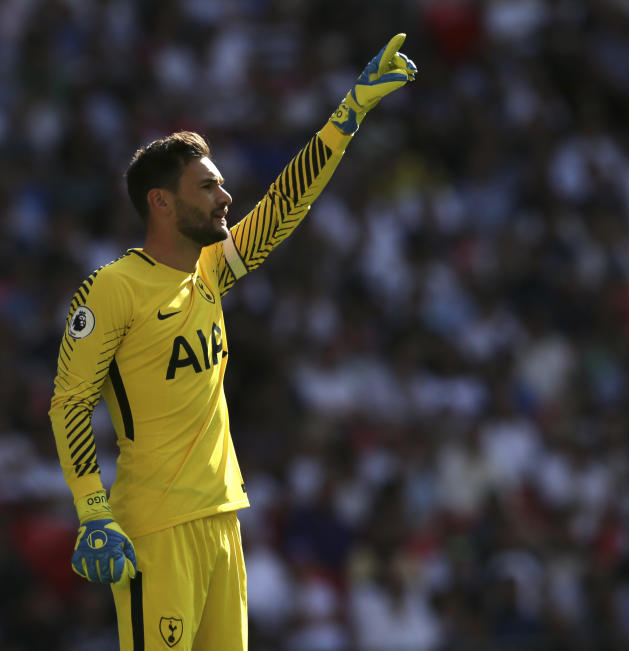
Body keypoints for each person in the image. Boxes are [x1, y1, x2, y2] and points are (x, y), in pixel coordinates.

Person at [48, 34, 417, 650]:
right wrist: (92, 511)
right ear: (161, 203)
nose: (225, 197)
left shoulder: (209, 269)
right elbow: (68, 402)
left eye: (220, 185)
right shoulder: (114, 287)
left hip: (222, 518)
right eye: (207, 187)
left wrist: (346, 117)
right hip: (156, 527)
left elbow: (282, 206)